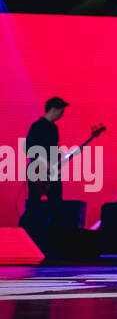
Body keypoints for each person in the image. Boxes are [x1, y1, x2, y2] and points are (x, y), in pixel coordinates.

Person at [20, 97, 68, 231]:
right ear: (54, 109)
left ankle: (50, 236)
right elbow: (28, 148)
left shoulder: (54, 129)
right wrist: (43, 161)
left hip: (52, 172)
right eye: (61, 111)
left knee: (56, 204)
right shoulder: (37, 126)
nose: (62, 114)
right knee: (34, 206)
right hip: (37, 171)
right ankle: (21, 234)